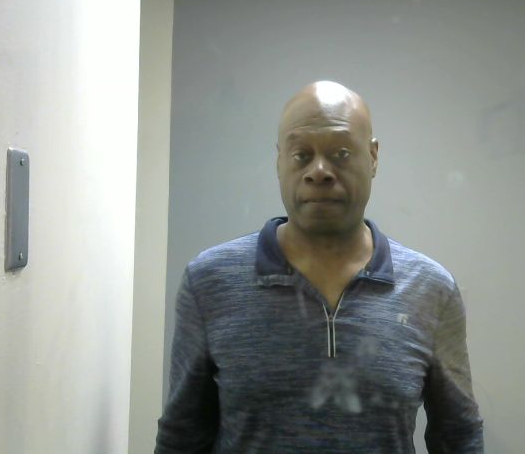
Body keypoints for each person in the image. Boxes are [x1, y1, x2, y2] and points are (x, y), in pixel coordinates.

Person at [155, 81, 484, 453]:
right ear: (279, 161)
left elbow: (459, 436)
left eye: (341, 153)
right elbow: (182, 437)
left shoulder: (431, 289)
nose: (319, 171)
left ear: (373, 157)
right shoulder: (209, 282)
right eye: (301, 155)